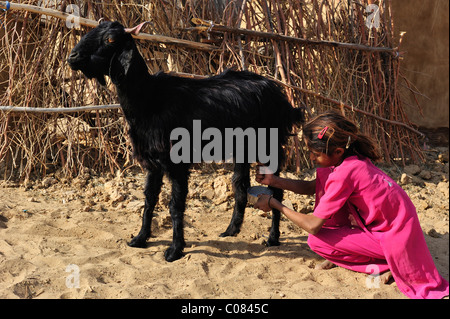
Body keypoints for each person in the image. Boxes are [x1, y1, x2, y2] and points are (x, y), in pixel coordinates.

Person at [254, 110, 449, 299]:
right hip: (399, 229)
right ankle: (386, 260)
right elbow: (313, 186)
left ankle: (389, 264)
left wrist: (274, 203)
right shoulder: (351, 159)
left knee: (317, 242)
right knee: (325, 193)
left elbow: (313, 226)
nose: (312, 158)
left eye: (315, 153)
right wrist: (274, 181)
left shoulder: (344, 174)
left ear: (338, 151)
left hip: (396, 238)